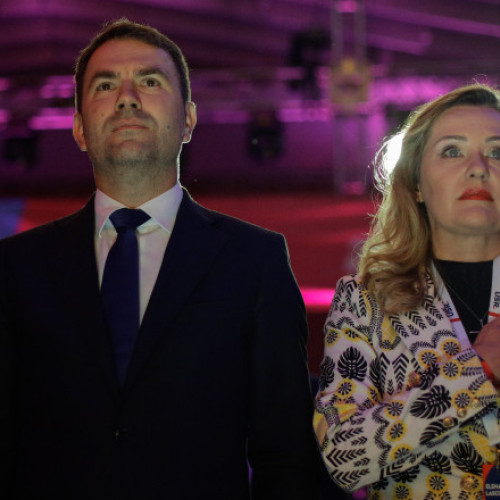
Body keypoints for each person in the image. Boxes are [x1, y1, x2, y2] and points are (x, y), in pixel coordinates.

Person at [0, 19, 319, 499]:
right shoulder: (15, 268)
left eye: (150, 82)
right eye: (105, 85)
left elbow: (287, 452)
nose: (127, 98)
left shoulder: (254, 260)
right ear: (79, 129)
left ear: (188, 120)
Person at [314, 83, 500, 499]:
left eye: (497, 152)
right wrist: (477, 373)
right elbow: (344, 458)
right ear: (416, 184)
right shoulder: (364, 302)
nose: (478, 168)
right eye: (452, 151)